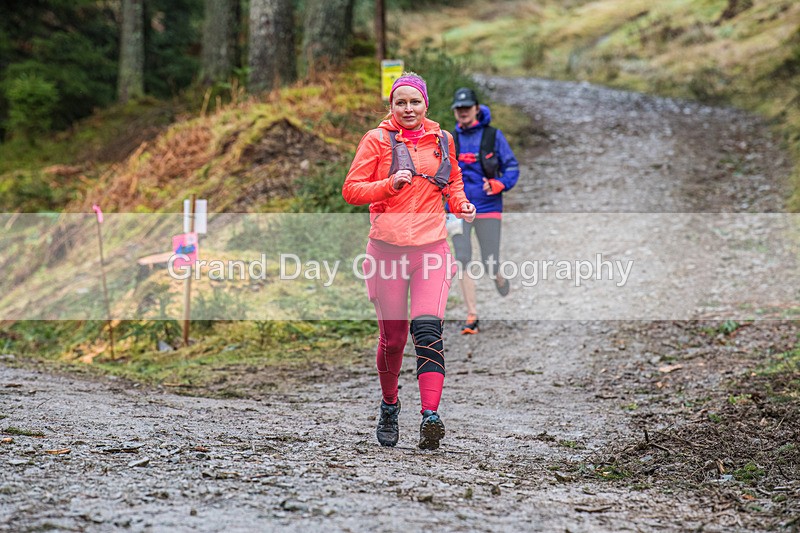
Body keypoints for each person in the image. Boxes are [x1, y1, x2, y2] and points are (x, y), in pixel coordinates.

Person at [342, 73, 476, 450]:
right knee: (394, 339)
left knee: (428, 329)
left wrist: (461, 204)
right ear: (391, 106)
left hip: (431, 249)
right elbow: (351, 190)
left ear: (426, 105)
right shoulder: (376, 140)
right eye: (400, 102)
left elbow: (452, 182)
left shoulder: (442, 140)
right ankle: (389, 405)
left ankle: (430, 416)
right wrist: (388, 184)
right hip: (386, 251)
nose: (408, 109)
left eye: (414, 102)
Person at [449, 87, 519, 335]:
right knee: (463, 257)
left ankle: (498, 277)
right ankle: (472, 315)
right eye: (459, 108)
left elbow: (511, 167)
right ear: (455, 112)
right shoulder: (449, 140)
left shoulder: (493, 136)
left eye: (467, 107)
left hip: (488, 206)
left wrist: (500, 183)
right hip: (456, 209)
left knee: (490, 261)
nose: (463, 112)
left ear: (477, 109)